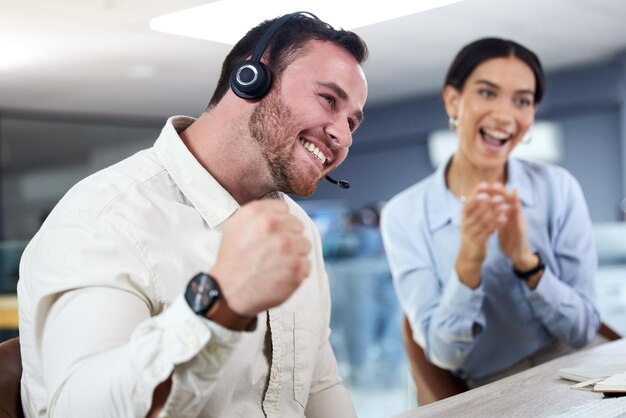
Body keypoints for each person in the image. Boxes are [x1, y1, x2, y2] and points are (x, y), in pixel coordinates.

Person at [18, 12, 368, 417]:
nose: (343, 137)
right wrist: (221, 305)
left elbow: (319, 388)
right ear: (253, 77)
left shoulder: (296, 230)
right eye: (329, 100)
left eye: (352, 122)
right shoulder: (103, 217)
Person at [381, 37, 600, 389]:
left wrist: (527, 263)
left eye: (522, 101)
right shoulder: (403, 215)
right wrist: (468, 262)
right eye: (487, 93)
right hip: (496, 388)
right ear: (453, 101)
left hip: (580, 367)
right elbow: (443, 354)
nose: (504, 115)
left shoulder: (557, 187)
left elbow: (584, 330)